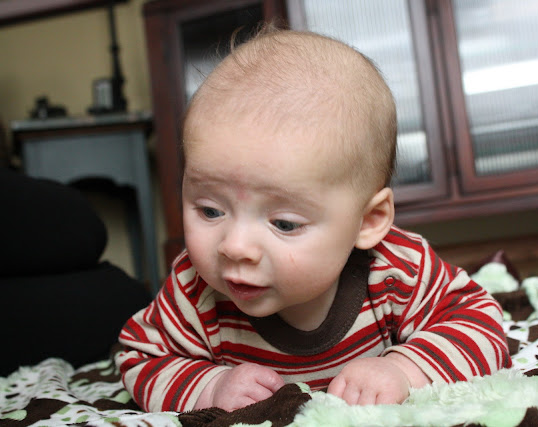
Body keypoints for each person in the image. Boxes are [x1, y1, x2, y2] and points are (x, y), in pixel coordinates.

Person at [116, 28, 511, 413]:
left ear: (368, 221)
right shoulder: (194, 291)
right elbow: (140, 356)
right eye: (210, 210)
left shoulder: (396, 269)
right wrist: (210, 386)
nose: (234, 246)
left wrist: (404, 370)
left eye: (284, 223)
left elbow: (480, 321)